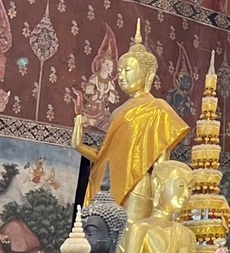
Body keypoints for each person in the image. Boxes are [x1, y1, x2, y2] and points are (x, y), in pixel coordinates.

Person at [72, 21, 189, 207]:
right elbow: (106, 158)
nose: (122, 76)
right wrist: (79, 146)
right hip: (109, 184)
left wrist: (158, 200)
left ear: (147, 74)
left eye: (128, 70)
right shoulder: (117, 113)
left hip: (138, 187)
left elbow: (161, 163)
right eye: (120, 71)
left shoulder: (158, 108)